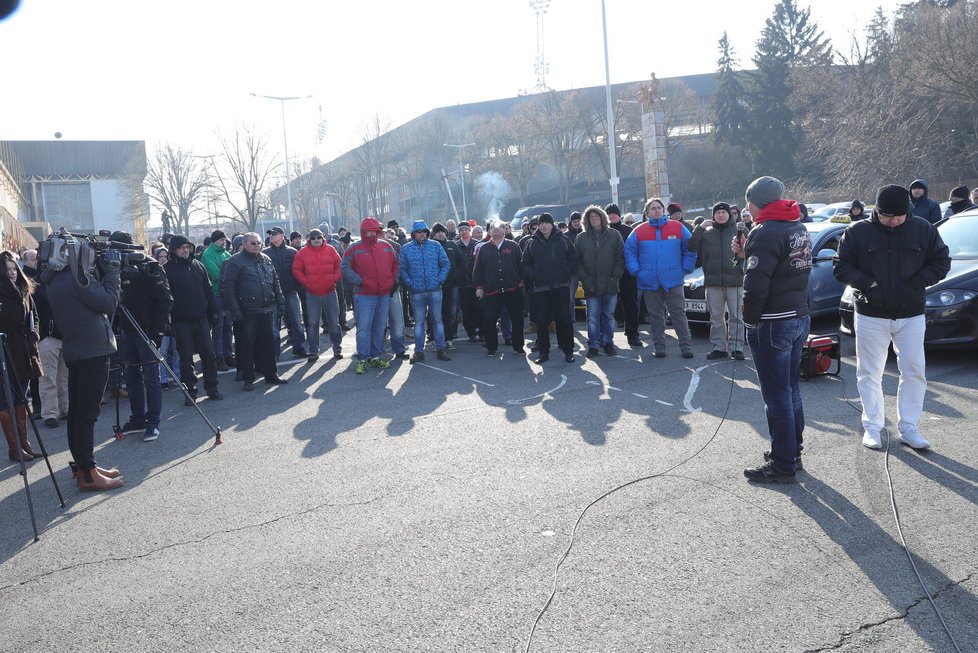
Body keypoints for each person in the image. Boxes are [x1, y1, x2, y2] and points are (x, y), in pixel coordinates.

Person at [834, 184, 951, 451]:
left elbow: (942, 262)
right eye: (888, 217)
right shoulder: (857, 231)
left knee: (913, 370)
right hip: (870, 312)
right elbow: (840, 266)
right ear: (877, 211)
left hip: (911, 312)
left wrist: (919, 282)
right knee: (869, 372)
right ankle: (872, 426)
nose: (894, 222)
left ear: (908, 211)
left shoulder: (923, 229)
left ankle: (909, 426)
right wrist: (866, 284)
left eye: (899, 217)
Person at [733, 176, 812, 483]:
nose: (745, 208)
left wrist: (750, 321)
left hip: (773, 321)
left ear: (756, 202)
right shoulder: (797, 226)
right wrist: (744, 257)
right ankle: (792, 451)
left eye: (747, 202)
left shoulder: (765, 231)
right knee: (790, 390)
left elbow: (756, 285)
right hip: (797, 316)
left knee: (776, 395)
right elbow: (781, 269)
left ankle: (782, 463)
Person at [42, 241, 124, 491]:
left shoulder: (53, 279)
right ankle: (88, 475)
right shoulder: (77, 279)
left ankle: (84, 467)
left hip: (78, 350)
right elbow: (109, 303)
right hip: (93, 350)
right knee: (86, 415)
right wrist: (112, 272)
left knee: (77, 414)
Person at [112, 231, 173, 441]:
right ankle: (137, 418)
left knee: (151, 377)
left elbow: (165, 300)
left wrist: (157, 332)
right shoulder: (114, 266)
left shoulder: (151, 266)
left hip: (146, 329)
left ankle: (153, 422)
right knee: (130, 376)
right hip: (127, 329)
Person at [624, 198, 696, 358]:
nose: (656, 210)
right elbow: (629, 251)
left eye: (659, 208)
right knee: (655, 316)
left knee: (678, 314)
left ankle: (686, 347)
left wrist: (685, 268)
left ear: (664, 210)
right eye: (652, 208)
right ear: (647, 212)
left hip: (673, 279)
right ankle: (659, 347)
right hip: (649, 281)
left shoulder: (678, 227)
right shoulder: (638, 231)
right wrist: (637, 271)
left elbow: (690, 248)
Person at [221, 232, 288, 391]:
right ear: (244, 244)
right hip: (246, 311)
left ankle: (271, 374)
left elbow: (275, 281)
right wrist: (234, 309)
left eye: (258, 243)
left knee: (268, 343)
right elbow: (227, 287)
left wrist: (281, 302)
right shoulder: (235, 261)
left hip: (266, 308)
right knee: (247, 345)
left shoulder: (266, 259)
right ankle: (248, 378)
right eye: (252, 243)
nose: (256, 245)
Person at [164, 235, 222, 405]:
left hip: (201, 319)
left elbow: (208, 290)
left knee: (208, 355)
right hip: (180, 321)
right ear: (173, 250)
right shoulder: (167, 269)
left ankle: (212, 388)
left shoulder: (198, 266)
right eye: (181, 247)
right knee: (186, 359)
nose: (185, 250)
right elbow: (164, 298)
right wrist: (168, 321)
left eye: (187, 247)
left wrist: (214, 311)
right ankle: (190, 391)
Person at [342, 217, 399, 374]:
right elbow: (345, 266)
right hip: (364, 294)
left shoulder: (386, 246)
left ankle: (375, 356)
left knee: (380, 327)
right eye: (368, 230)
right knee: (364, 327)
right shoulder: (354, 248)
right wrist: (359, 281)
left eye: (374, 230)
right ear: (363, 231)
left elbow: (396, 264)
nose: (372, 233)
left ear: (378, 231)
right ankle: (362, 359)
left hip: (383, 293)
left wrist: (392, 281)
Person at [688, 202, 745, 360]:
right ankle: (719, 347)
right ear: (713, 215)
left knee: (736, 316)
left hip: (734, 280)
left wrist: (741, 268)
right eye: (718, 212)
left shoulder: (739, 230)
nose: (721, 215)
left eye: (724, 212)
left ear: (730, 214)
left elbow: (749, 252)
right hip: (713, 282)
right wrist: (699, 228)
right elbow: (692, 246)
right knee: (716, 317)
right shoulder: (706, 232)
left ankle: (736, 348)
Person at [0, 252, 42, 462]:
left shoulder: (25, 291)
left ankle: (24, 443)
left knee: (21, 397)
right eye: (7, 269)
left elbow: (35, 316)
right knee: (4, 400)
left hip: (24, 351)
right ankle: (14, 447)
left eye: (14, 268)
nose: (12, 272)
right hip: (4, 353)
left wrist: (34, 336)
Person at [522, 213, 579, 364]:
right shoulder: (532, 242)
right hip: (541, 288)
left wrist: (565, 271)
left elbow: (574, 259)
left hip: (560, 286)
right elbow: (525, 263)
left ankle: (568, 351)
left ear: (552, 224)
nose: (543, 226)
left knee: (564, 320)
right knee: (541, 322)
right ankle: (543, 352)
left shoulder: (563, 240)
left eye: (547, 223)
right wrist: (533, 275)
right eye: (541, 223)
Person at [575, 206, 624, 357]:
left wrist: (615, 277)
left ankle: (608, 343)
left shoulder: (614, 235)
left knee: (608, 315)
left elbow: (620, 259)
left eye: (596, 215)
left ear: (602, 217)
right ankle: (594, 345)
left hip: (610, 283)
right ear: (587, 220)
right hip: (591, 285)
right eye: (591, 217)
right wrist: (585, 279)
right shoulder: (581, 238)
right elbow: (577, 262)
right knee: (592, 317)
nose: (594, 218)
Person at [400, 220, 451, 363]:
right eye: (418, 232)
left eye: (423, 231)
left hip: (435, 289)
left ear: (427, 232)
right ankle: (418, 351)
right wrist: (410, 283)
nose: (421, 234)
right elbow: (402, 268)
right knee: (419, 322)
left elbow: (445, 264)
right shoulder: (406, 249)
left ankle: (441, 349)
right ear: (414, 233)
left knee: (437, 320)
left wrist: (439, 279)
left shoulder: (435, 246)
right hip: (417, 292)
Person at [472, 220, 526, 357]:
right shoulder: (483, 248)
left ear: (504, 230)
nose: (495, 230)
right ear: (489, 231)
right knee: (489, 320)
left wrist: (521, 280)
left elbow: (522, 265)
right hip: (491, 291)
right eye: (492, 228)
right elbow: (478, 270)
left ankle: (518, 347)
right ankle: (492, 348)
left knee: (518, 319)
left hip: (512, 290)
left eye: (498, 228)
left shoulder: (513, 246)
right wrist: (478, 287)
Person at [292, 228, 343, 363]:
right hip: (312, 293)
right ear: (309, 239)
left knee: (334, 323)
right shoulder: (302, 253)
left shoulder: (331, 250)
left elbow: (339, 265)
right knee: (313, 323)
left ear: (323, 238)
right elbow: (296, 269)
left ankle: (337, 348)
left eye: (318, 237)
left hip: (330, 291)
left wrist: (333, 279)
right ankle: (313, 351)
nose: (316, 240)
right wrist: (307, 283)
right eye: (313, 238)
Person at [263, 226, 307, 358]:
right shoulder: (264, 253)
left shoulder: (292, 252)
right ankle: (274, 353)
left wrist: (299, 288)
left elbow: (300, 271)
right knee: (273, 327)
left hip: (290, 292)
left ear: (282, 235)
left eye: (274, 234)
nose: (271, 236)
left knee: (297, 322)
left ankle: (299, 347)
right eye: (270, 234)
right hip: (273, 295)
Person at [606, 203, 642, 348]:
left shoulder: (629, 230)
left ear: (619, 214)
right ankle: (607, 338)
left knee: (631, 305)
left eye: (614, 213)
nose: (612, 216)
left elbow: (636, 250)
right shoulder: (603, 231)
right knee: (608, 307)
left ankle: (633, 334)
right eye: (609, 214)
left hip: (627, 273)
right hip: (608, 274)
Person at [200, 230, 233, 372]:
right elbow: (215, 274)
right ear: (214, 241)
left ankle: (228, 354)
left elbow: (233, 271)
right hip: (216, 294)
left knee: (228, 326)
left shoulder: (226, 254)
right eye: (220, 240)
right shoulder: (207, 255)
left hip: (227, 294)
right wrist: (229, 276)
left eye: (224, 240)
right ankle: (219, 358)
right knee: (218, 326)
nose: (223, 242)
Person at [431, 222, 464, 348]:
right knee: (435, 314)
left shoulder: (452, 245)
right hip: (434, 285)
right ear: (433, 233)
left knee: (451, 312)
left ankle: (449, 338)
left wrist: (457, 275)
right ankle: (435, 339)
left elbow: (461, 263)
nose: (441, 233)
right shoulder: (430, 246)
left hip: (452, 284)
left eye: (443, 231)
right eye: (438, 231)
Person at [455, 222, 480, 343]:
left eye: (465, 229)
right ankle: (471, 332)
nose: (464, 232)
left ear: (469, 231)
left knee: (478, 308)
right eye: (461, 230)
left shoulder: (476, 243)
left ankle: (481, 331)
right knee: (466, 309)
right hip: (462, 282)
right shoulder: (456, 245)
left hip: (475, 281)